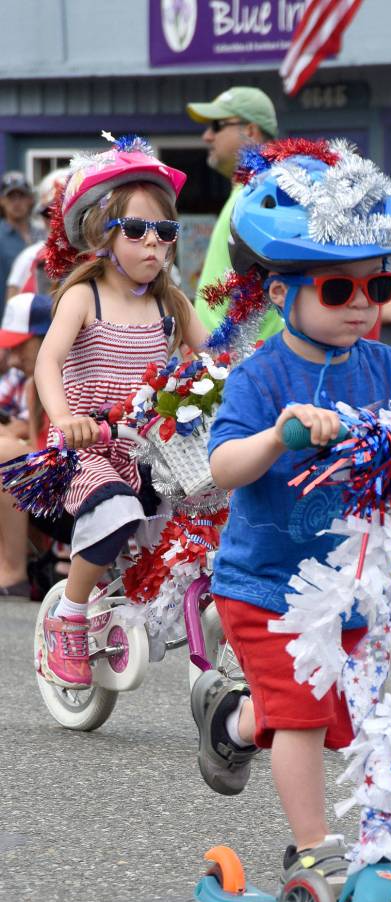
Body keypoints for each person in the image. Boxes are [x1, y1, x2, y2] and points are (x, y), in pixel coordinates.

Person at [190, 138, 391, 887]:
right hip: (264, 584)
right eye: (339, 291)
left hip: (352, 584)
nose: (364, 304)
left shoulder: (385, 366)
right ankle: (316, 846)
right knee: (301, 715)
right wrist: (277, 433)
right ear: (281, 294)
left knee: (350, 714)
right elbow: (222, 466)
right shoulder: (262, 374)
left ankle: (228, 722)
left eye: (376, 285)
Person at [33, 135, 208, 687]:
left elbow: (212, 362)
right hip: (88, 449)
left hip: (151, 449)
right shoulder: (85, 297)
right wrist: (64, 420)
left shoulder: (170, 302)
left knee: (207, 519)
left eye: (166, 232)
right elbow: (47, 362)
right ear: (101, 234)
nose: (154, 244)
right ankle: (69, 616)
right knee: (114, 511)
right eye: (137, 230)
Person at [186, 86, 282, 339]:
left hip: (244, 365)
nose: (207, 136)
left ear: (250, 131)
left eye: (217, 125)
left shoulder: (264, 196)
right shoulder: (251, 191)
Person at [0, 291, 55, 597]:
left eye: (21, 347)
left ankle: (12, 571)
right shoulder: (35, 382)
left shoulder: (64, 373)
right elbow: (36, 441)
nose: (14, 357)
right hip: (49, 476)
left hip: (76, 481)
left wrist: (12, 442)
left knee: (4, 453)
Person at [6, 168, 70, 300]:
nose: (56, 219)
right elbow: (13, 309)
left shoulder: (100, 255)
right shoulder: (29, 257)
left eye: (63, 210)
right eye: (48, 212)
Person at [0, 170, 44, 320]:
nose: (17, 202)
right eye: (11, 197)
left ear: (31, 199)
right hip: (7, 317)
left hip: (39, 315)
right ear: (2, 201)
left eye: (21, 196)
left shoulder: (42, 232)